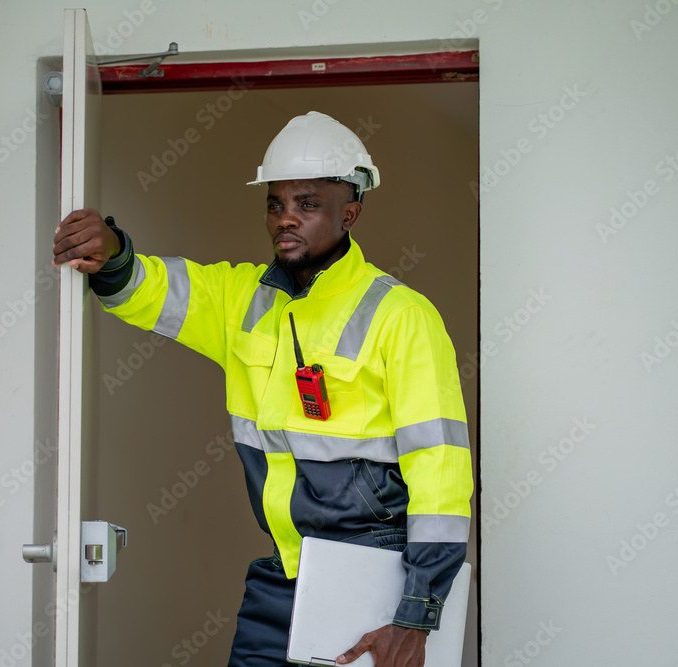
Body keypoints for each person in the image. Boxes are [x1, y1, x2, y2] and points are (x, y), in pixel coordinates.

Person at [52, 111, 473, 667]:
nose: (285, 219)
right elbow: (147, 288)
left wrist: (416, 612)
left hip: (374, 578)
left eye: (307, 203)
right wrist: (111, 251)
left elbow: (441, 473)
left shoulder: (402, 316)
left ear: (350, 212)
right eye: (275, 204)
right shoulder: (242, 298)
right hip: (282, 577)